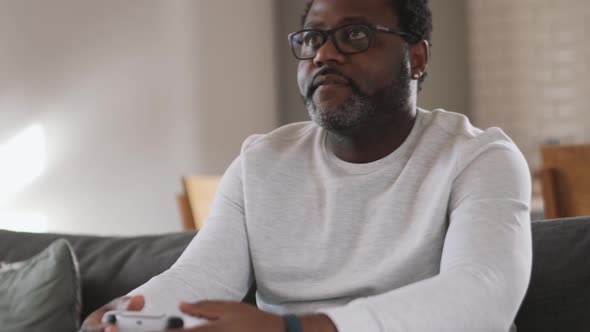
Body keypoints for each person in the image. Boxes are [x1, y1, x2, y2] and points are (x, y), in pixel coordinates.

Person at [82, 0, 532, 331]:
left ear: (416, 58)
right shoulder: (261, 161)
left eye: (355, 35)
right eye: (314, 38)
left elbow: (482, 294)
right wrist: (132, 312)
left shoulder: (480, 157)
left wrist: (295, 329)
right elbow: (202, 275)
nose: (325, 54)